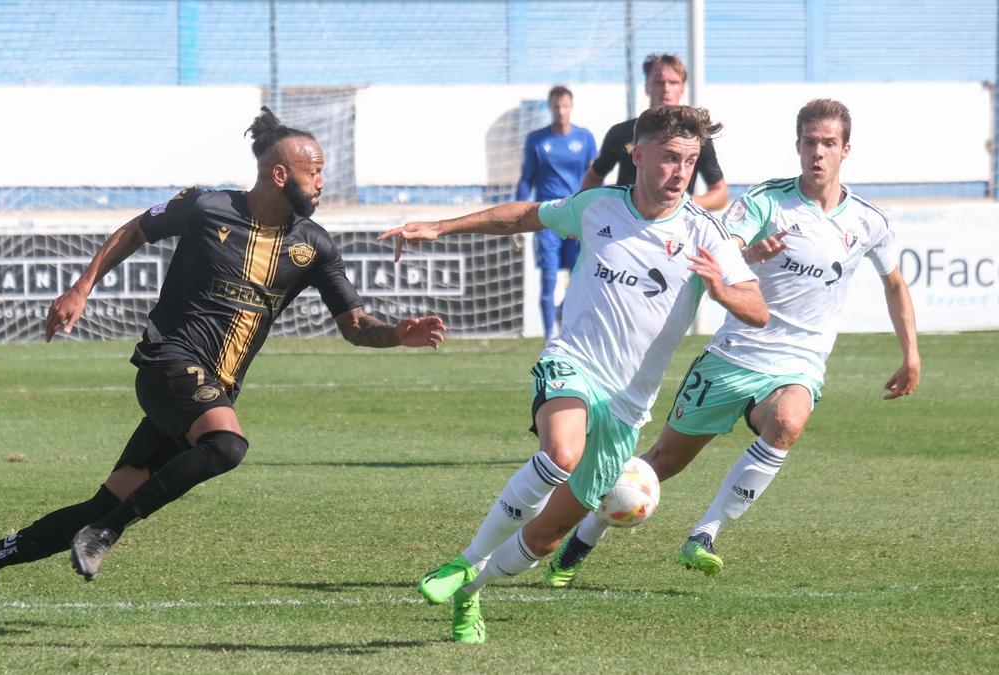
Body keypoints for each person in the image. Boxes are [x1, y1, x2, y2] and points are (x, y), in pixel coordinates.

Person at [0, 108, 447, 628]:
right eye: (314, 171)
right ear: (281, 175)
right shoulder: (206, 207)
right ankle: (108, 533)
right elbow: (134, 230)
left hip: (212, 388)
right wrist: (81, 287)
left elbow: (354, 324)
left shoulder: (313, 245)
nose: (322, 182)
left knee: (102, 502)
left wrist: (396, 335)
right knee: (226, 446)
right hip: (168, 362)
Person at [381, 105, 767, 644]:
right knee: (560, 452)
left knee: (543, 539)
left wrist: (724, 290)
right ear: (638, 156)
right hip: (573, 364)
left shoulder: (707, 235)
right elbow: (523, 216)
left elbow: (756, 307)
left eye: (690, 160)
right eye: (669, 158)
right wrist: (440, 227)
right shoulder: (596, 207)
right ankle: (464, 560)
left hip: (629, 407)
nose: (680, 172)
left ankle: (472, 592)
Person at [545, 98, 920, 585]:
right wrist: (750, 250)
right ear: (798, 145)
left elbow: (894, 284)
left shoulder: (868, 222)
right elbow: (716, 243)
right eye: (809, 142)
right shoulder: (767, 201)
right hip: (733, 355)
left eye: (828, 143)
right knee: (659, 462)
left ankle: (705, 533)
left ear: (846, 149)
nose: (818, 153)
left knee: (787, 421)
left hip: (798, 361)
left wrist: (910, 354)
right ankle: (586, 534)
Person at [581, 54, 728, 211]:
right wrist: (585, 213)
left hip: (672, 230)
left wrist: (681, 205)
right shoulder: (621, 133)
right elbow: (594, 177)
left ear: (682, 88)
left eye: (673, 83)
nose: (665, 89)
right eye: (659, 82)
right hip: (624, 226)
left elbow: (720, 194)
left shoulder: (695, 138)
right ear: (647, 86)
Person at [516, 85, 598, 339]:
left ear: (571, 107)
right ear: (550, 107)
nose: (561, 111)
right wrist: (518, 213)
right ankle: (549, 336)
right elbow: (526, 178)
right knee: (549, 277)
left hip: (576, 214)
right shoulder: (537, 140)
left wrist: (599, 207)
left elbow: (596, 175)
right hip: (547, 217)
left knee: (579, 277)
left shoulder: (585, 138)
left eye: (565, 106)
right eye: (556, 106)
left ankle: (566, 320)